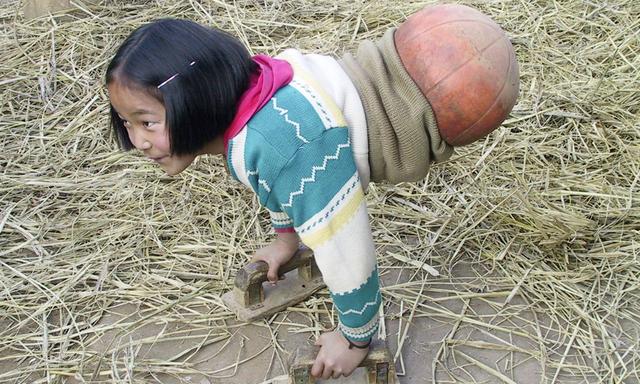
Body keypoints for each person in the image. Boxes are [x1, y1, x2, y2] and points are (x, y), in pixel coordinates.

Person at [106, 18, 382, 380]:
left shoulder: (285, 143)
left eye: (147, 123)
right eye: (127, 122)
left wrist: (355, 339)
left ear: (194, 100)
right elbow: (278, 183)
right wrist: (287, 240)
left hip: (432, 96)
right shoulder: (252, 106)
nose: (138, 141)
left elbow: (343, 241)